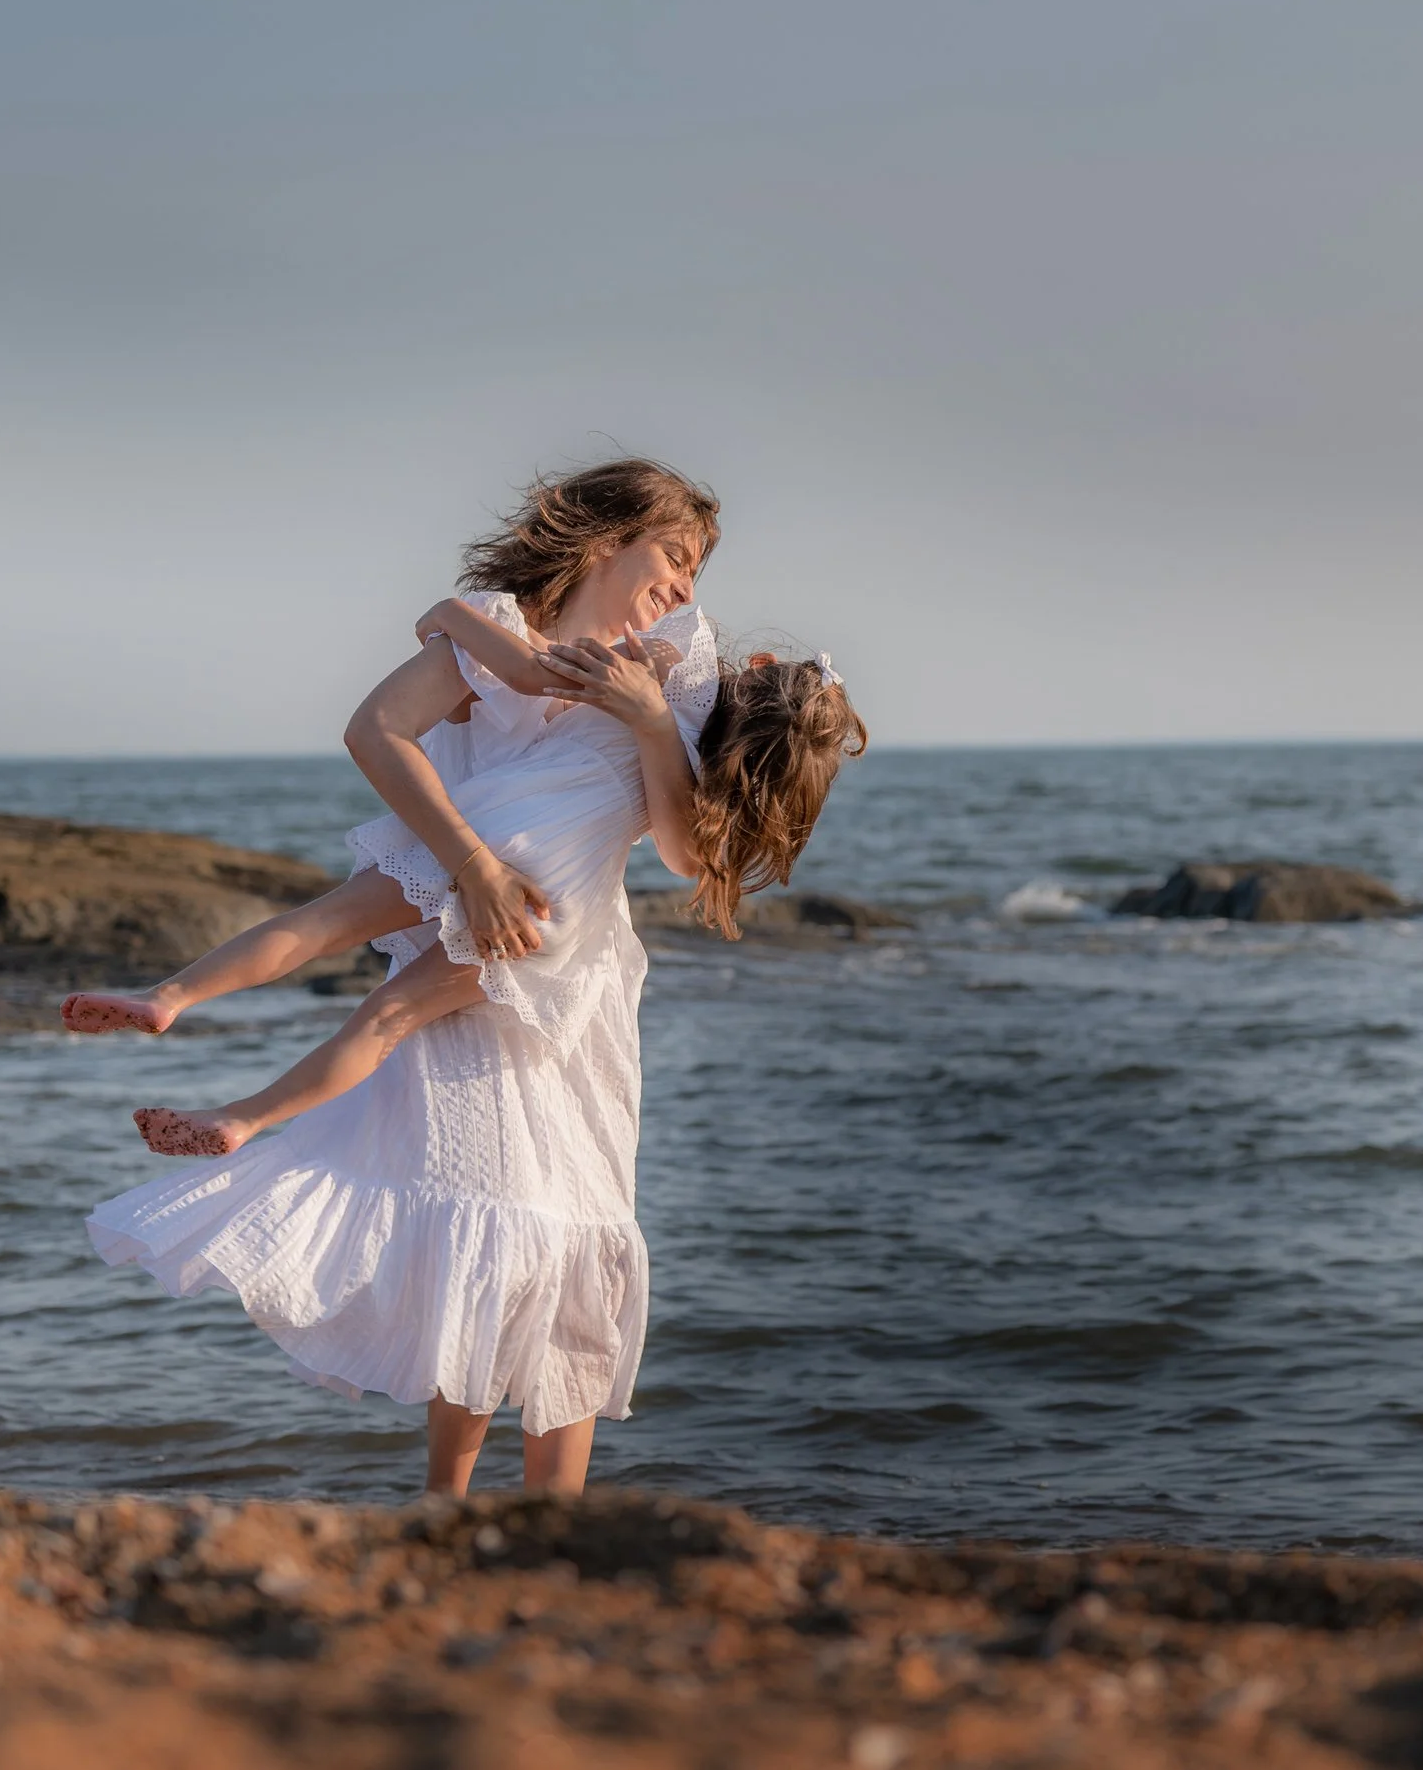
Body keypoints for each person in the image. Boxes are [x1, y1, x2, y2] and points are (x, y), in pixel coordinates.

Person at [78, 459, 868, 1496]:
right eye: (675, 556)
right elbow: (438, 653)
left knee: (423, 1050)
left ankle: (220, 1075)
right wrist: (504, 666)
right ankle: (187, 1028)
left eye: (694, 571)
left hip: (548, 920)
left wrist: (630, 710)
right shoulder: (543, 642)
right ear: (603, 541)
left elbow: (681, 841)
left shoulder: (673, 668)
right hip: (522, 895)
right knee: (447, 1112)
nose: (686, 585)